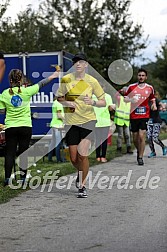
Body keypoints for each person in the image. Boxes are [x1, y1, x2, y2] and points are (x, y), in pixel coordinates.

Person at [56, 52, 106, 198]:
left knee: (82, 154)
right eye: (75, 62)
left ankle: (82, 186)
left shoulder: (92, 81)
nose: (78, 64)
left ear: (86, 65)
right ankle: (80, 173)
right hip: (71, 122)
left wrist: (94, 102)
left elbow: (103, 101)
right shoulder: (66, 79)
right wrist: (66, 102)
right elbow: (59, 97)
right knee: (73, 158)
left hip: (88, 121)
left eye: (81, 62)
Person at [0, 68, 60, 186]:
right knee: (23, 152)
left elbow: (2, 111)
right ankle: (22, 179)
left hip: (11, 126)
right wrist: (53, 75)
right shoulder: (27, 91)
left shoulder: (4, 94)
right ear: (21, 79)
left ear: (10, 80)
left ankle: (7, 179)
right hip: (25, 126)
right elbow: (41, 83)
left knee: (10, 153)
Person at [124, 68, 157, 165]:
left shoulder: (149, 88)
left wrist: (153, 104)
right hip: (134, 115)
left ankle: (140, 156)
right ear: (137, 76)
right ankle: (139, 150)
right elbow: (125, 99)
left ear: (146, 77)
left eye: (143, 75)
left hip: (144, 115)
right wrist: (131, 100)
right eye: (139, 75)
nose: (141, 77)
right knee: (135, 138)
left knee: (142, 136)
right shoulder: (131, 87)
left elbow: (152, 98)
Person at [93, 91, 114, 163]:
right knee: (104, 140)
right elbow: (110, 109)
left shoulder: (92, 96)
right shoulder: (107, 96)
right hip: (105, 121)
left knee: (97, 140)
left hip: (96, 121)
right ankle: (103, 157)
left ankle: (98, 156)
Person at [147, 91, 167, 157]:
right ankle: (153, 152)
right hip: (149, 120)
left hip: (156, 120)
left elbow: (161, 103)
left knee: (154, 138)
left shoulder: (156, 100)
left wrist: (163, 107)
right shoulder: (146, 101)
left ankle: (163, 147)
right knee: (149, 137)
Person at [114, 86, 133, 154]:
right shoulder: (120, 98)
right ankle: (119, 148)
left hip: (126, 120)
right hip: (119, 120)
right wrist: (120, 90)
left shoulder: (129, 100)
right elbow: (115, 95)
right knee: (120, 135)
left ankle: (129, 147)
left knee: (128, 134)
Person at [48, 97, 65, 162]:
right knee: (58, 142)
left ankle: (50, 158)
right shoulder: (59, 104)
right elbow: (59, 115)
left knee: (53, 142)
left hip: (54, 124)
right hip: (58, 125)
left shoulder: (54, 103)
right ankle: (59, 159)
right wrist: (66, 119)